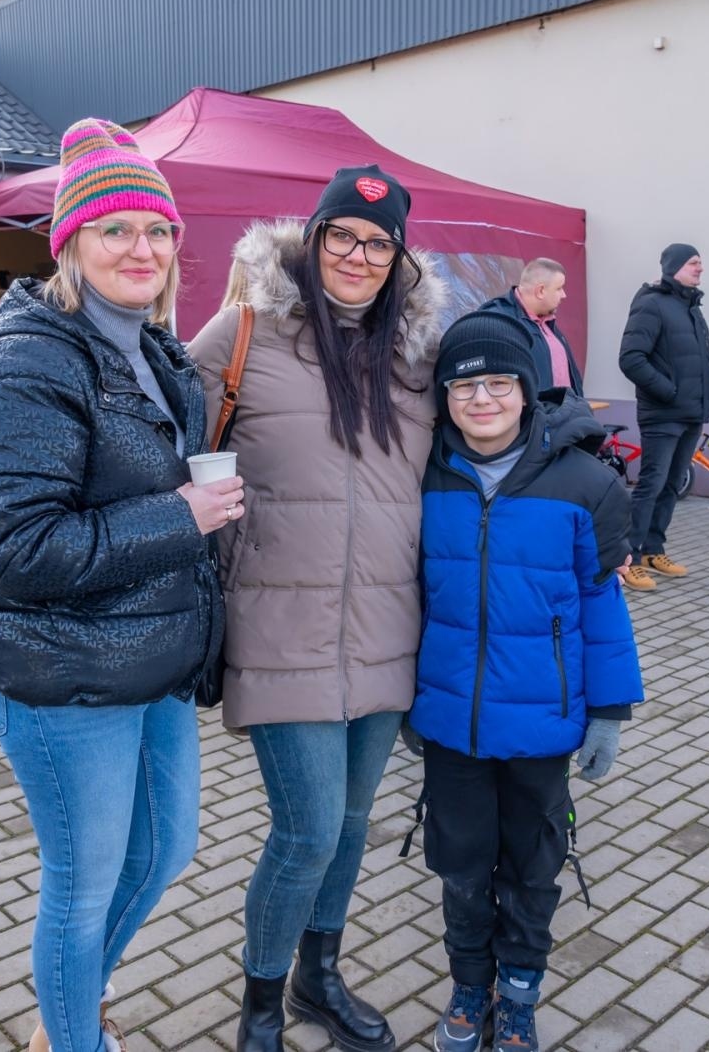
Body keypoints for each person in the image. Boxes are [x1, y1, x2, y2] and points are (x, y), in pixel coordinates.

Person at [0, 118, 238, 1052]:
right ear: (70, 243)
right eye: (115, 230)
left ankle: (68, 1007)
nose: (141, 249)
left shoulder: (151, 354)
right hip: (64, 674)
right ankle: (73, 1037)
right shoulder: (30, 359)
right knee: (80, 886)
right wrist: (181, 518)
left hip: (151, 659)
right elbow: (15, 546)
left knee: (163, 852)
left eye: (158, 231)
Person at [187, 164, 449, 1052]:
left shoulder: (417, 357)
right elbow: (160, 439)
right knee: (302, 831)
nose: (358, 255)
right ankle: (260, 1010)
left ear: (398, 259)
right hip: (277, 626)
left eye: (379, 243)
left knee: (347, 826)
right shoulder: (245, 329)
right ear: (313, 237)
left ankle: (319, 979)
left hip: (386, 628)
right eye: (342, 235)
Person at [410, 312, 643, 1052]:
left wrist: (609, 708)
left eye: (499, 383)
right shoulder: (421, 476)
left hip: (544, 722)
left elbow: (602, 603)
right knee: (461, 864)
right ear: (444, 395)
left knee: (535, 864)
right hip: (449, 722)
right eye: (464, 385)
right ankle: (469, 985)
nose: (482, 399)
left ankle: (518, 994)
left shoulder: (584, 484)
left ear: (527, 391)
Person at [616, 243, 709, 592]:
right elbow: (631, 358)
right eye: (694, 263)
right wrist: (669, 392)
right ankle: (627, 558)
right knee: (651, 484)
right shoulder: (652, 304)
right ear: (674, 266)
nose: (700, 269)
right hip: (664, 414)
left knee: (673, 484)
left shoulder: (692, 308)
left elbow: (699, 360)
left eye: (701, 263)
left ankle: (653, 549)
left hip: (692, 413)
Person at [474, 257, 583, 397]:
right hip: (533, 417)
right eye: (559, 288)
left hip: (564, 415)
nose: (564, 295)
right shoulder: (497, 322)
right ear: (541, 291)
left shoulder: (548, 324)